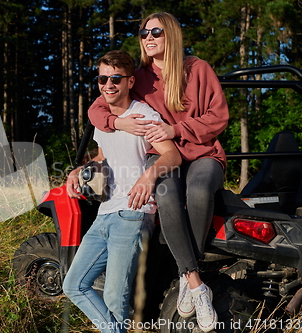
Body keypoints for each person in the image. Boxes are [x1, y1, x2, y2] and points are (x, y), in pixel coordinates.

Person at [87, 12, 229, 333]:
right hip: (165, 157)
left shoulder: (198, 69)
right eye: (143, 32)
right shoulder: (139, 76)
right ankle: (194, 281)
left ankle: (183, 274)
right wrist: (118, 122)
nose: (148, 37)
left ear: (172, 36)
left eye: (156, 32)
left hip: (203, 153)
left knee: (201, 190)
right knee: (164, 192)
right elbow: (98, 107)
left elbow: (218, 117)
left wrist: (174, 128)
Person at [63, 50, 181, 333]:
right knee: (73, 285)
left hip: (133, 213)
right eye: (103, 78)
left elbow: (172, 156)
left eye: (115, 78)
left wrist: (148, 177)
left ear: (130, 81)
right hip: (104, 213)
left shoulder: (143, 115)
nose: (108, 85)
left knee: (116, 300)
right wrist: (79, 170)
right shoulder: (102, 118)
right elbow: (103, 157)